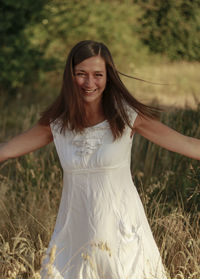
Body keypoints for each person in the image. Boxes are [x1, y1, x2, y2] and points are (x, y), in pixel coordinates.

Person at [0, 40, 199, 279]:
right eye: (81, 74)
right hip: (74, 236)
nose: (89, 83)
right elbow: (6, 150)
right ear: (70, 76)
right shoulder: (57, 123)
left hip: (122, 234)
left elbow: (187, 144)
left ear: (108, 77)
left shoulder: (126, 116)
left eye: (98, 75)